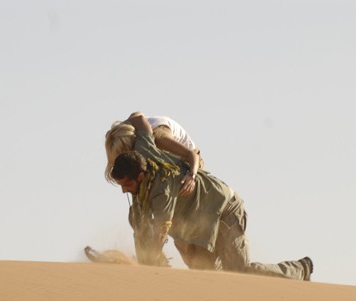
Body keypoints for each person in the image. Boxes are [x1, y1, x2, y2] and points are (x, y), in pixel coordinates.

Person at [109, 115, 313, 281]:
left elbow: (160, 230)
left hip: (224, 208)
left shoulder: (161, 184)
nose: (124, 191)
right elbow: (137, 117)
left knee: (238, 274)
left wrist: (149, 263)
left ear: (140, 176)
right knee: (208, 277)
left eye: (127, 184)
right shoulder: (142, 153)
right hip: (198, 218)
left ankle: (299, 269)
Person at [105, 113, 204, 196]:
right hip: (169, 164)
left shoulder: (159, 139)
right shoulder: (132, 128)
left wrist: (192, 176)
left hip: (191, 163)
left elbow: (192, 155)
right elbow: (137, 115)